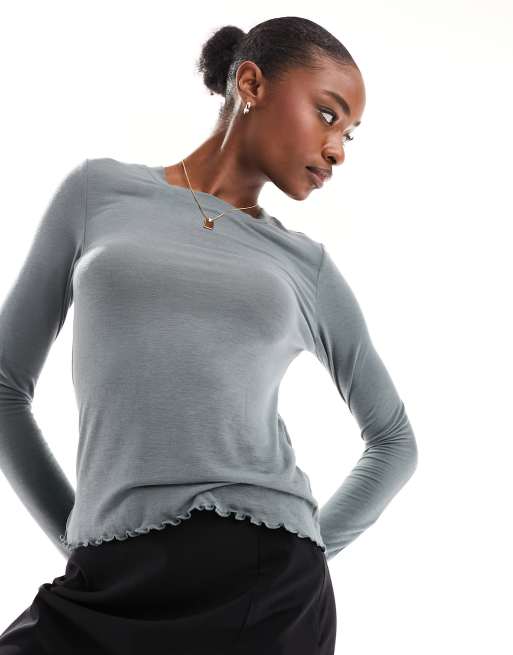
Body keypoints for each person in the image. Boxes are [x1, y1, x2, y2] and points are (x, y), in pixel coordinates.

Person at [0, 15, 418, 655]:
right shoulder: (97, 193)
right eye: (327, 115)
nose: (338, 150)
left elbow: (393, 441)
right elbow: (5, 385)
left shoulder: (305, 265)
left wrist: (304, 548)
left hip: (264, 588)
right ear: (251, 84)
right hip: (106, 580)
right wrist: (79, 536)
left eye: (349, 133)